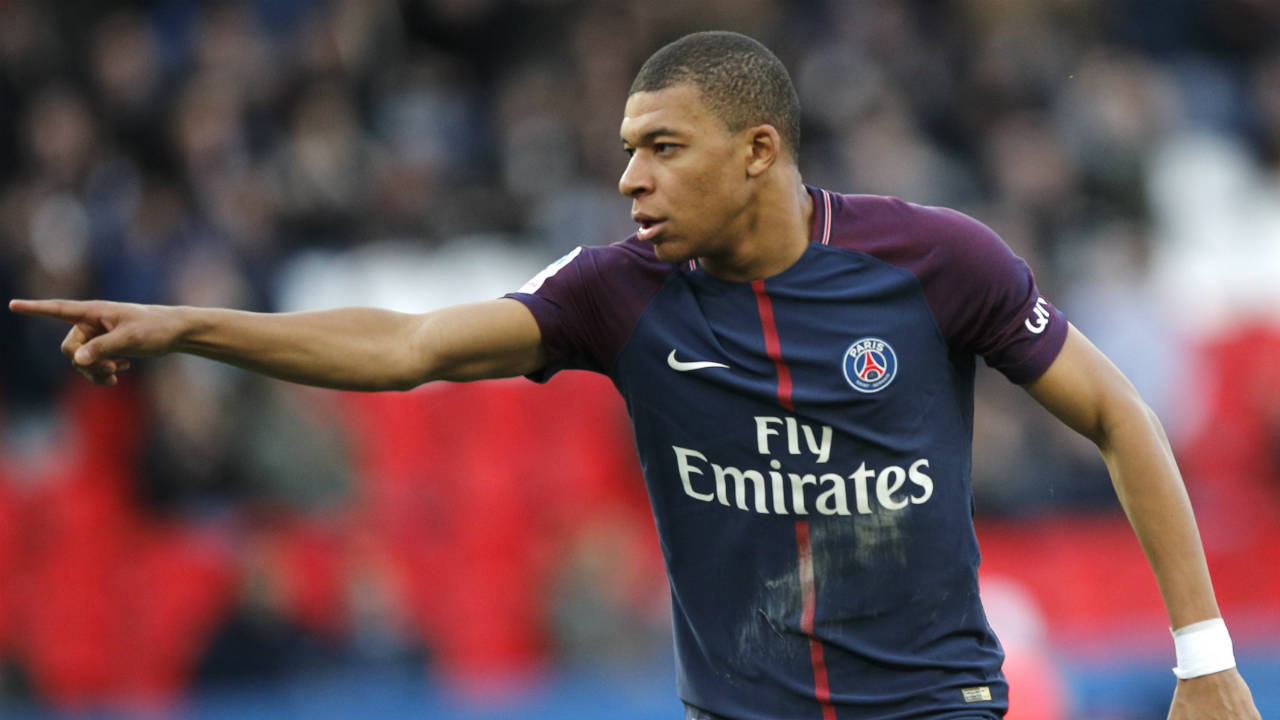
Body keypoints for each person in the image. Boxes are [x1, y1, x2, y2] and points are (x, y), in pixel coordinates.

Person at [9, 31, 1260, 720]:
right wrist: (188, 324)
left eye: (661, 149)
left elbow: (1114, 412)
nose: (629, 180)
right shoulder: (615, 295)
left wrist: (1202, 655)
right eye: (624, 152)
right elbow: (405, 349)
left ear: (757, 150)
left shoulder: (933, 262)